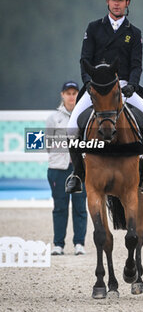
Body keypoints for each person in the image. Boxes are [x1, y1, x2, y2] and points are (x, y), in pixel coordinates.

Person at [66, 0, 143, 195]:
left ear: (127, 3)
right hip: (97, 87)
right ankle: (77, 175)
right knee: (72, 128)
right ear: (107, 1)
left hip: (124, 86)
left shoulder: (134, 33)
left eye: (120, 0)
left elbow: (136, 64)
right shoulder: (94, 28)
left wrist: (133, 86)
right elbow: (84, 60)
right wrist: (88, 83)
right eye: (112, 0)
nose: (116, 4)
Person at [46, 81, 87, 255]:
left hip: (80, 169)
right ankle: (58, 244)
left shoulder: (85, 116)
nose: (72, 96)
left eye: (74, 93)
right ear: (62, 95)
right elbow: (48, 143)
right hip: (58, 168)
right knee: (60, 207)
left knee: (80, 207)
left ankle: (79, 243)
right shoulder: (53, 118)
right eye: (68, 93)